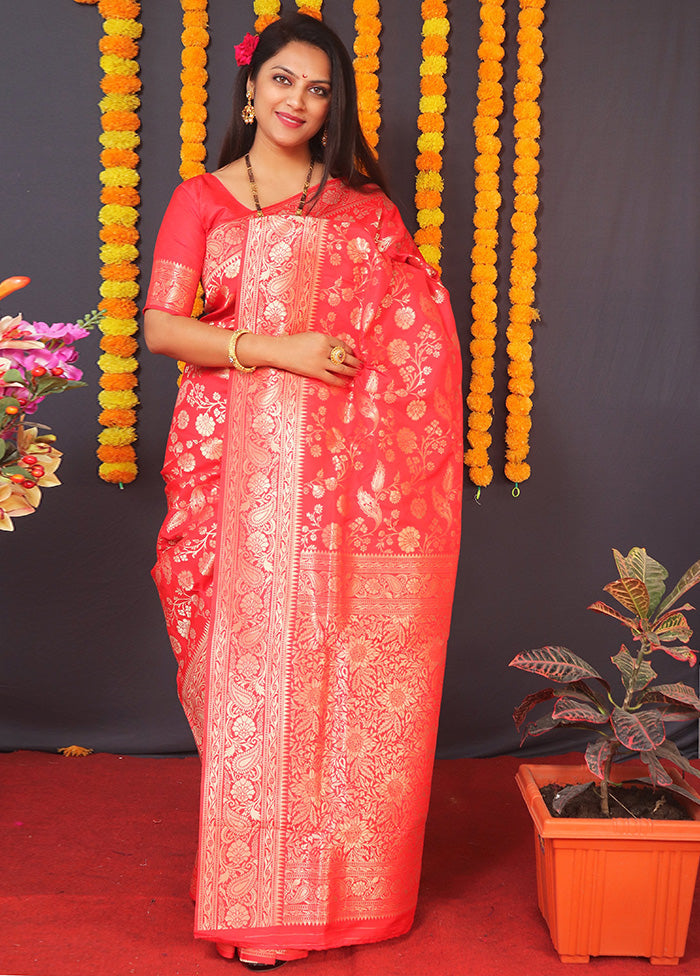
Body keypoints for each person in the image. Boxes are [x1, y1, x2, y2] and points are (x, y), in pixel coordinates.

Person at [144, 12, 463, 971]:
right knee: (252, 673)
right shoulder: (201, 197)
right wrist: (274, 350)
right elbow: (164, 329)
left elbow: (416, 328)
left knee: (332, 671)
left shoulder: (362, 207)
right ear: (249, 89)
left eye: (318, 90)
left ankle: (333, 899)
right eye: (283, 81)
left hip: (340, 481)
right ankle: (254, 896)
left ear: (334, 108)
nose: (297, 103)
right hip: (234, 471)